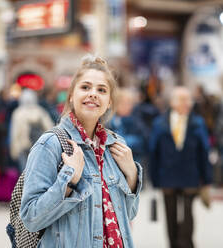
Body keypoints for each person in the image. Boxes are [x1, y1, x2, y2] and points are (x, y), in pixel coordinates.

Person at [20, 55, 142, 248]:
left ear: (109, 101)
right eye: (85, 87)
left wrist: (132, 176)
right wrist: (69, 180)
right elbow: (30, 218)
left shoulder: (115, 146)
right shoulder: (51, 144)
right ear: (71, 95)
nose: (93, 94)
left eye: (101, 90)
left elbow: (128, 214)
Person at [149, 86, 212, 248]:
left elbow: (204, 151)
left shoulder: (197, 123)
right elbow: (153, 152)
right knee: (170, 214)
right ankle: (173, 244)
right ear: (172, 102)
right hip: (167, 176)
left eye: (189, 99)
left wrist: (207, 179)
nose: (187, 103)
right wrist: (154, 179)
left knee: (188, 213)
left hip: (190, 175)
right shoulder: (159, 123)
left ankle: (186, 244)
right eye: (183, 99)